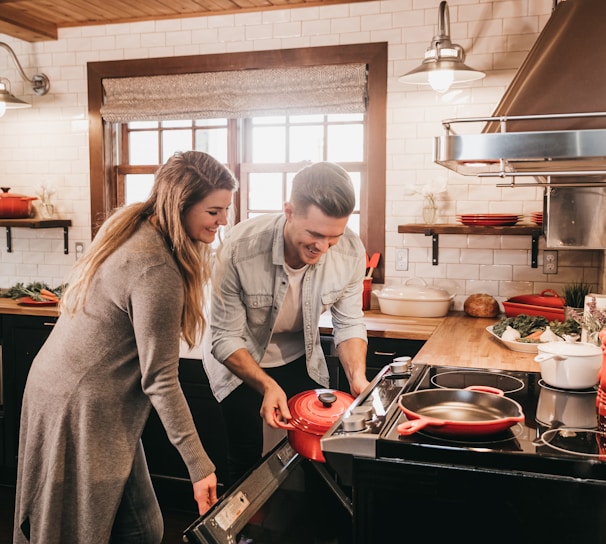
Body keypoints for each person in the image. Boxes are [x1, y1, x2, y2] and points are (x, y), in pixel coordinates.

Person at [13, 151, 238, 544]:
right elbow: (161, 381)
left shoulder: (131, 225)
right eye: (214, 211)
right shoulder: (156, 268)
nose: (222, 222)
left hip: (61, 388)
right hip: (83, 404)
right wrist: (200, 467)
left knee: (137, 524)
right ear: (179, 204)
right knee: (124, 528)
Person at [206, 161, 369, 485]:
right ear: (289, 211)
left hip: (300, 357)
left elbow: (349, 322)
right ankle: (246, 534)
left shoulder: (350, 251)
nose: (322, 248)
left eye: (333, 237)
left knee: (312, 456)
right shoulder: (239, 248)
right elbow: (224, 336)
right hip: (240, 360)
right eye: (314, 234)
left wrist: (358, 377)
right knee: (247, 457)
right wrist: (267, 385)